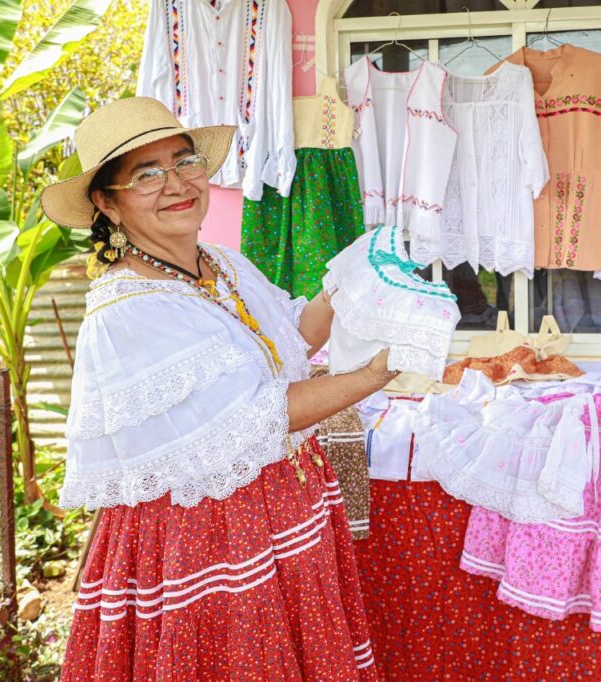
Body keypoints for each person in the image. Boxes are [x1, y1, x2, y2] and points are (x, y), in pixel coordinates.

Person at [39, 97, 389, 680]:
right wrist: (375, 374)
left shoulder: (222, 264)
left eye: (185, 162)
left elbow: (290, 338)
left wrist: (347, 283)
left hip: (277, 509)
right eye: (147, 174)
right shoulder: (128, 309)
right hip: (210, 538)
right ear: (107, 202)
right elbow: (257, 416)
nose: (176, 184)